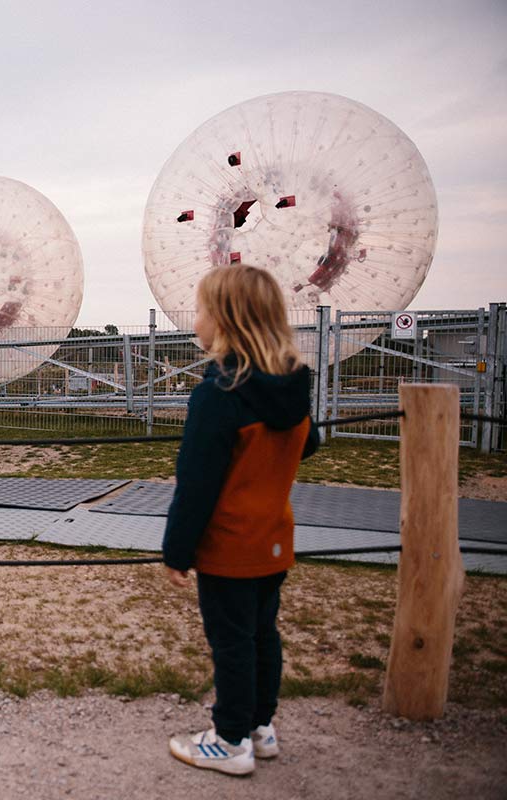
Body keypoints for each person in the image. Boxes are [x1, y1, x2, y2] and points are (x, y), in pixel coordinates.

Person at [163, 264, 319, 777]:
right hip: (274, 539)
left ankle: (229, 740)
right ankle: (260, 727)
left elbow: (198, 482)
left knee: (230, 643)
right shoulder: (291, 390)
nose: (195, 320)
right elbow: (309, 443)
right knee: (261, 635)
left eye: (202, 309)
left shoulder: (219, 393)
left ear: (226, 320)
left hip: (229, 547)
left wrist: (177, 550)